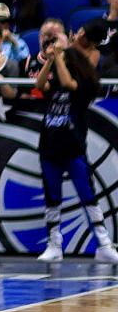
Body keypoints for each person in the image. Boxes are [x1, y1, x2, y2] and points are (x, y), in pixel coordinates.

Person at [29, 20, 118, 263]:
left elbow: (69, 83)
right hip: (49, 147)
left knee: (87, 196)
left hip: (74, 147)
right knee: (52, 197)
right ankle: (54, 244)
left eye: (64, 61)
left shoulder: (84, 84)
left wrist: (59, 54)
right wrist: (49, 60)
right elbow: (39, 84)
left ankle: (103, 244)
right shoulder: (54, 79)